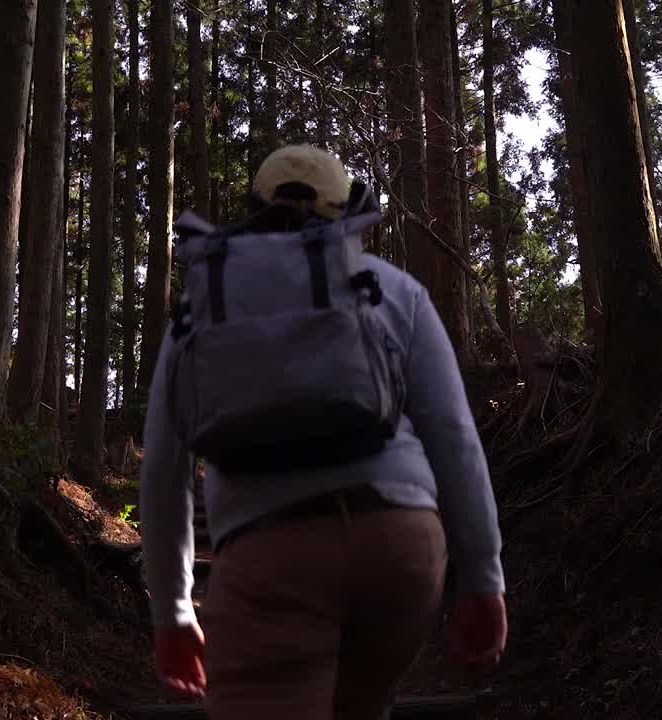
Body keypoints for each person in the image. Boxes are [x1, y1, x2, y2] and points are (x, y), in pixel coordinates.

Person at [139, 144, 507, 720]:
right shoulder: (391, 288)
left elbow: (164, 466)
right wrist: (483, 576)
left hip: (268, 556)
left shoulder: (202, 305)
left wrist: (173, 609)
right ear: (347, 212)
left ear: (254, 208)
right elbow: (454, 437)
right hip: (400, 552)